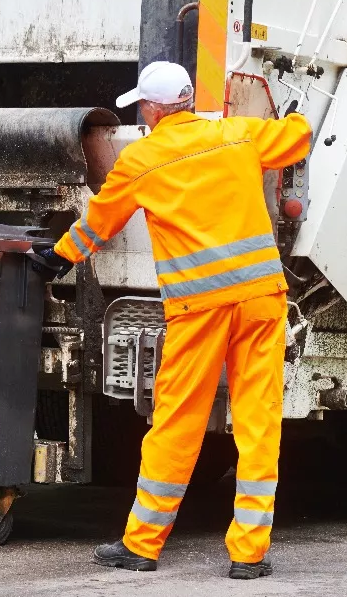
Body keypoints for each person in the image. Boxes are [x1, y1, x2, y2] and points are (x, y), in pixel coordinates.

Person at [35, 61, 312, 580]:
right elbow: (296, 138)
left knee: (177, 423)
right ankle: (248, 554)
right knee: (258, 423)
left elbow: (98, 223)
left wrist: (55, 257)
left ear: (152, 109)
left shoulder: (142, 160)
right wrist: (294, 114)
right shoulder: (237, 134)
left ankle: (142, 546)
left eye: (142, 105)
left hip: (198, 310)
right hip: (260, 301)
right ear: (186, 101)